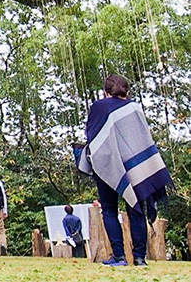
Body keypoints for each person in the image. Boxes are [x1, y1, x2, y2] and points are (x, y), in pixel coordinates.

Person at [76, 74, 173, 267]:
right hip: (135, 164)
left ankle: (119, 257)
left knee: (109, 210)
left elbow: (92, 136)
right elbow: (143, 137)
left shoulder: (99, 107)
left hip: (106, 164)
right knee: (136, 209)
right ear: (126, 91)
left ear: (106, 92)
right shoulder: (134, 107)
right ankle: (139, 258)